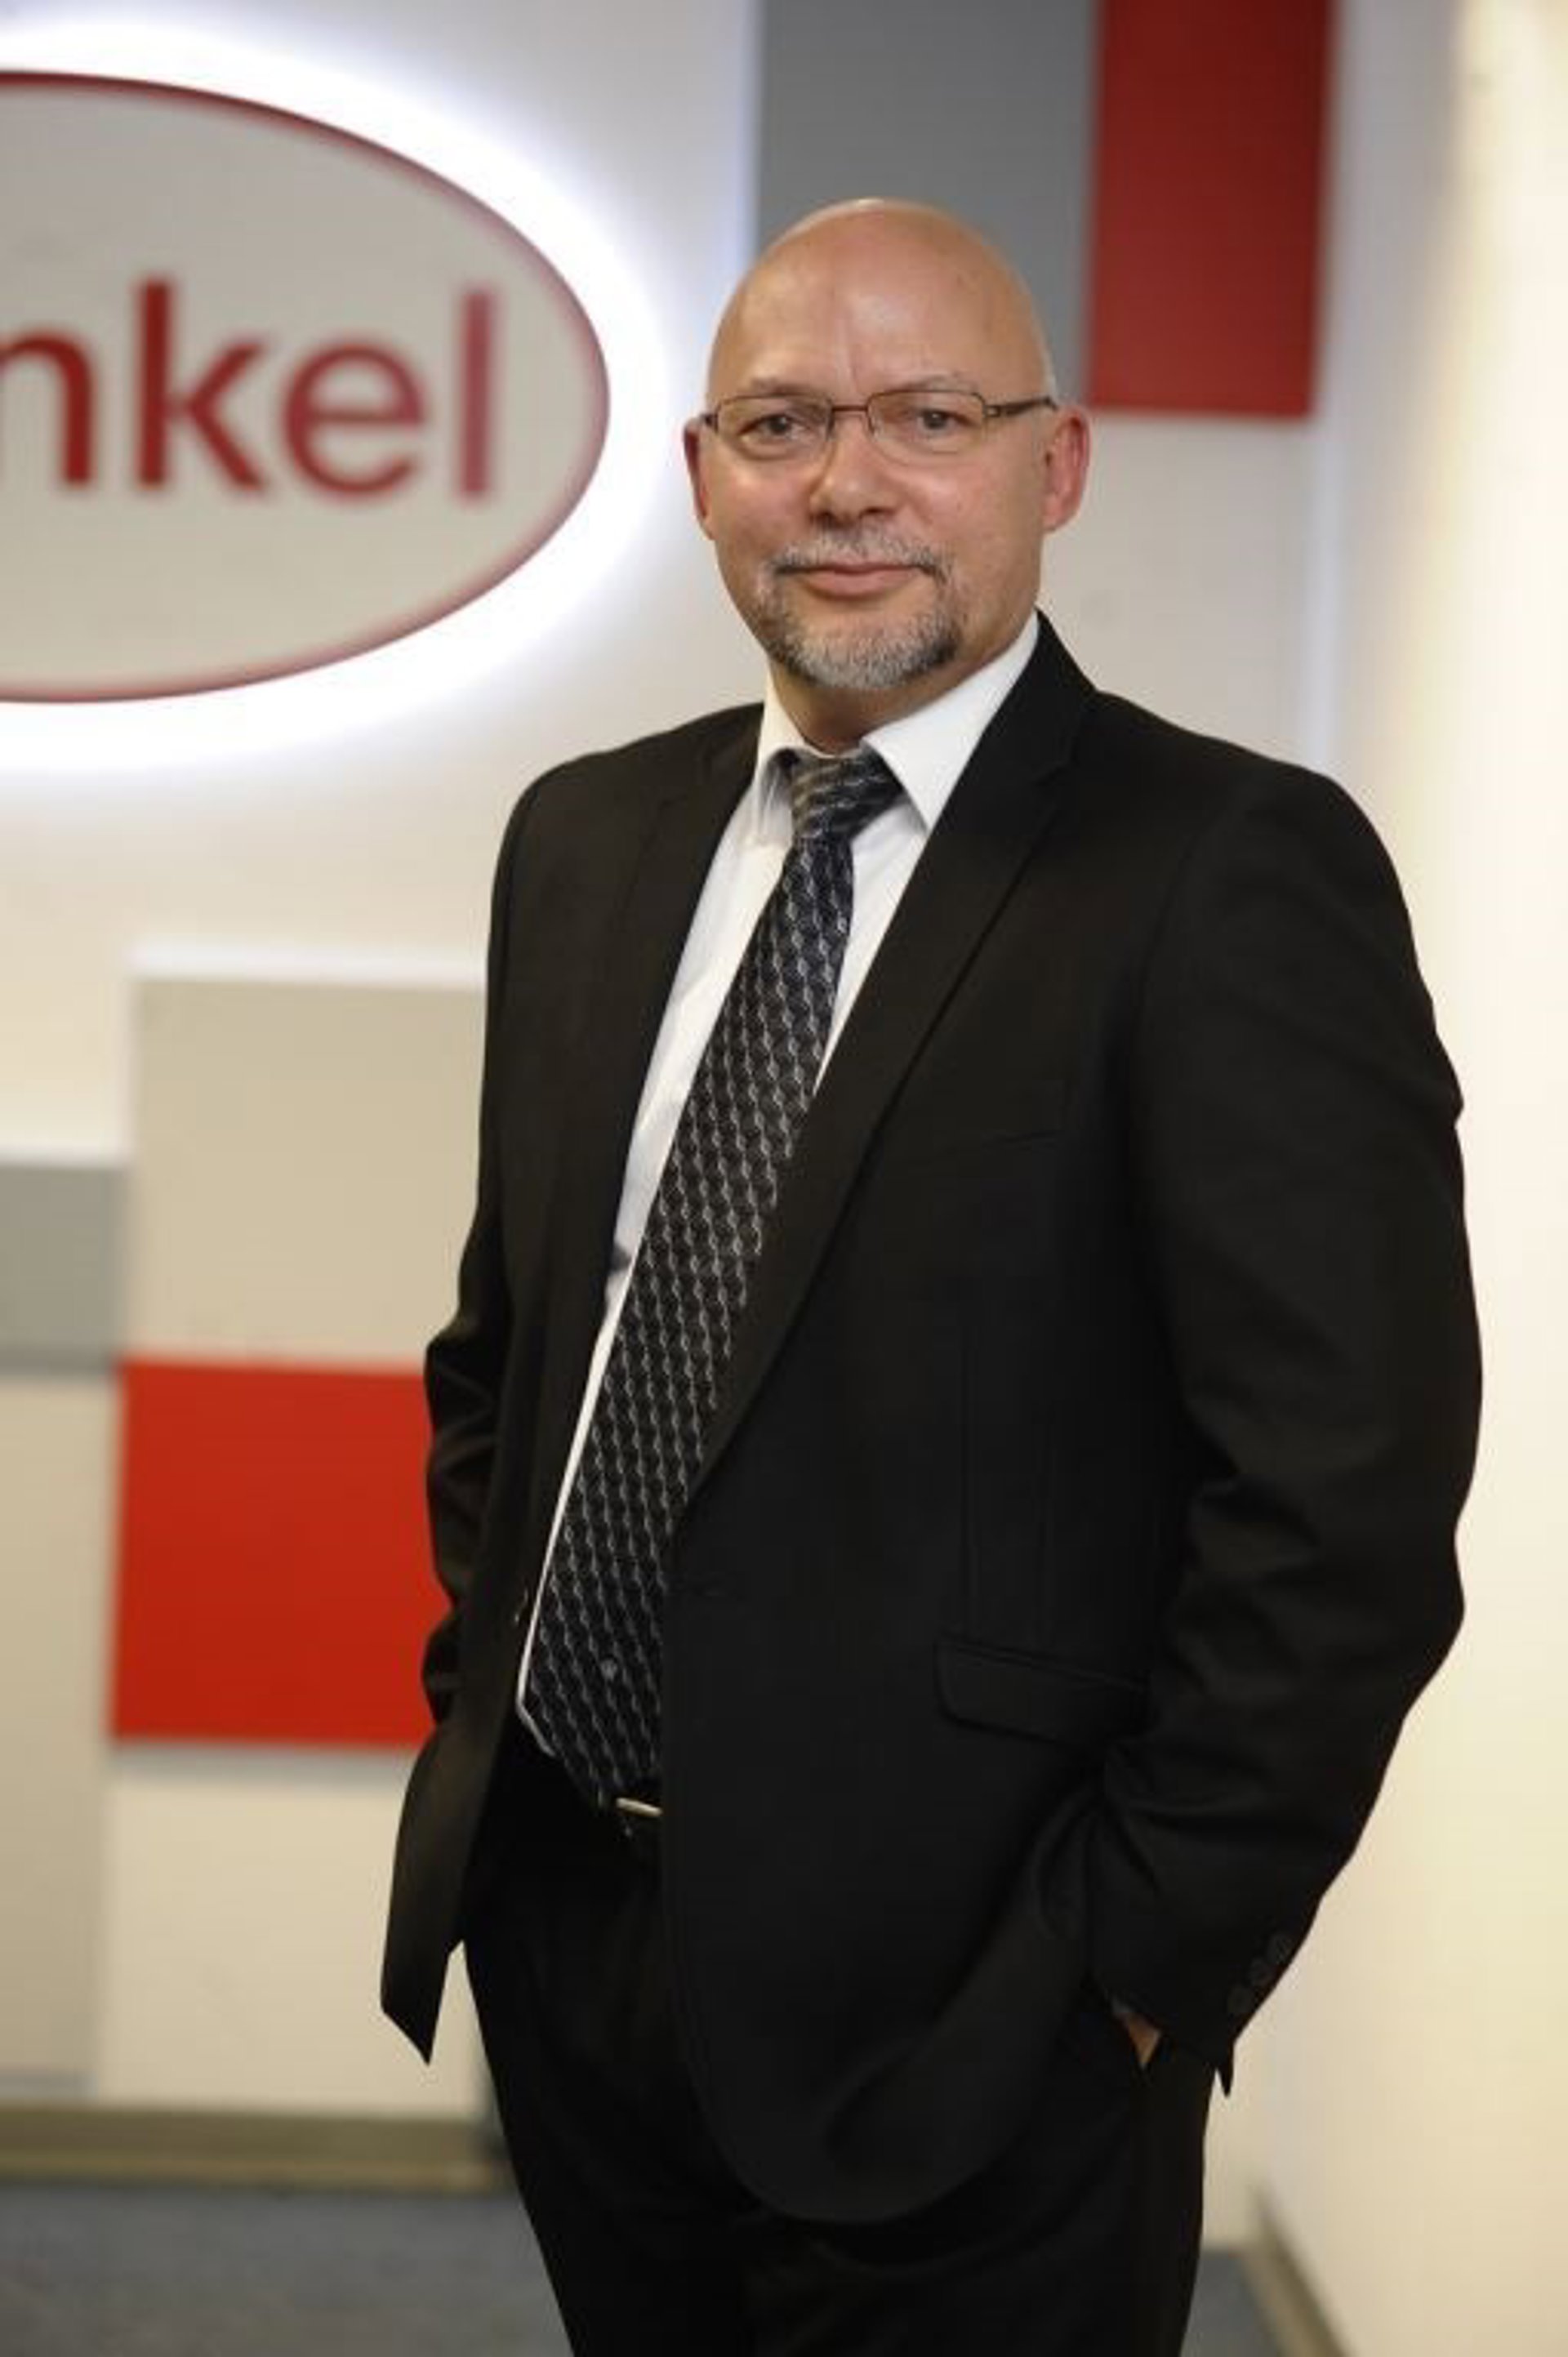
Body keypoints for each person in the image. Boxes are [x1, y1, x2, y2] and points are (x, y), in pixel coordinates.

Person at [382, 199, 1480, 2355]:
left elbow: (1342, 1503)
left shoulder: (1227, 873)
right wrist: (491, 1722)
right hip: (581, 1946)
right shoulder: (584, 842)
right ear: (702, 475)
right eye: (783, 422)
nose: (848, 483)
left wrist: (1135, 1970)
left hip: (987, 2022)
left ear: (1054, 466)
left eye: (930, 418)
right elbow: (512, 1355)